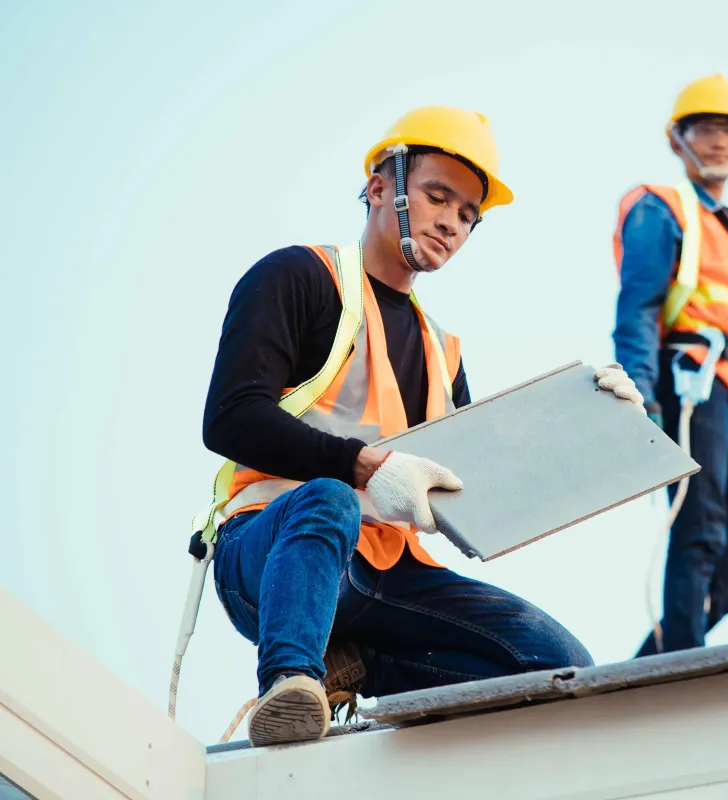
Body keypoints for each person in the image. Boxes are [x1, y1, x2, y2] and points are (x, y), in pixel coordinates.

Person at [200, 106, 644, 746]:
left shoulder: (444, 352)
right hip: (273, 558)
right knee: (326, 497)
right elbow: (230, 418)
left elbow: (482, 494)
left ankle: (357, 663)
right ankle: (292, 687)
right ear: (381, 186)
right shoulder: (299, 278)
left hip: (382, 575)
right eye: (439, 197)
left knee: (558, 664)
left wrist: (600, 425)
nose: (451, 223)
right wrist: (364, 466)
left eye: (468, 215)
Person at [612, 74, 728, 656]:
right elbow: (637, 308)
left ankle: (644, 673)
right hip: (690, 388)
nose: (719, 142)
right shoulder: (662, 210)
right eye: (706, 128)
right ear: (677, 139)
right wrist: (639, 397)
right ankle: (679, 676)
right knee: (699, 536)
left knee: (727, 576)